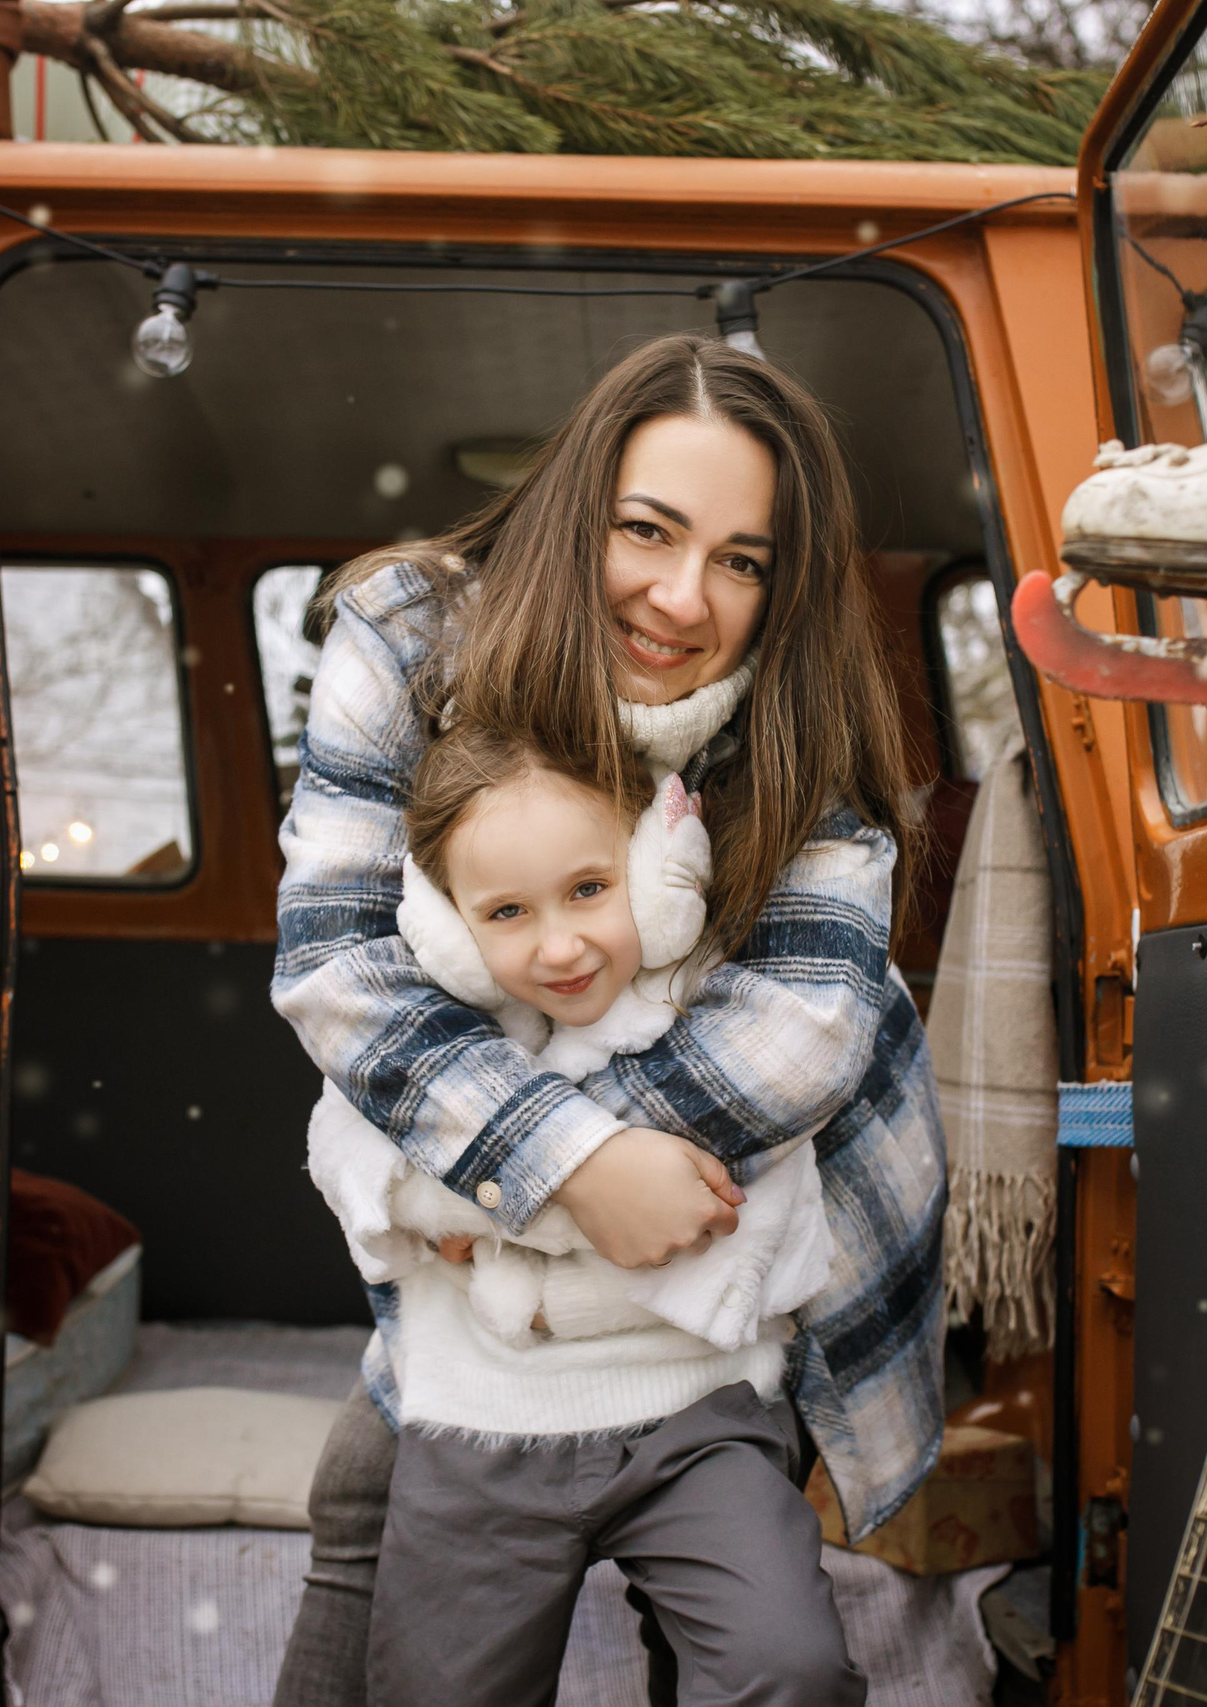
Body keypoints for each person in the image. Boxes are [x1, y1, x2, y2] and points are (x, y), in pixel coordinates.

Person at [269, 331, 948, 1706]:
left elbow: (802, 1029)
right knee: (366, 1492)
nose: (682, 597)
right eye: (648, 529)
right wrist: (568, 1167)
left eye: (743, 560)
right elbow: (340, 958)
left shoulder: (800, 706)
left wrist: (536, 1186)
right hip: (469, 1215)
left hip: (729, 1230)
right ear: (577, 507)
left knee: (752, 1618)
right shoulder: (413, 635)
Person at [303, 722, 850, 1705]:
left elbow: (748, 1208)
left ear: (656, 869)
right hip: (478, 1423)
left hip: (698, 1415)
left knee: (787, 1662)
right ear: (447, 928)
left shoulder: (717, 1004)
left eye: (590, 889)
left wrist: (488, 1201)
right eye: (506, 912)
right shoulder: (436, 1034)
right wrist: (582, 1190)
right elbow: (348, 1153)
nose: (560, 946)